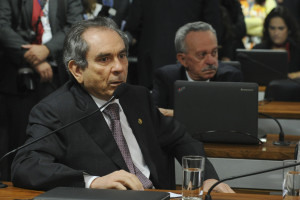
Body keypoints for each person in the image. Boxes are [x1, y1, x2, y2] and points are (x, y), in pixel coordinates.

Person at [11, 17, 234, 193]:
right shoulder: (56, 110)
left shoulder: (136, 97)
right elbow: (27, 165)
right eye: (104, 59)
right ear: (77, 70)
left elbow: (181, 138)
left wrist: (207, 179)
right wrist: (93, 182)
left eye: (122, 56)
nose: (119, 67)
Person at [0, 0, 83, 181]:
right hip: (16, 76)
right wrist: (34, 59)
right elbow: (3, 27)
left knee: (57, 136)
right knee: (17, 138)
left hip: (60, 74)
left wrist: (47, 49)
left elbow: (75, 25)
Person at [124, 0, 222, 89]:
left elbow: (133, 26)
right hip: (190, 63)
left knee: (153, 104)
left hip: (152, 62)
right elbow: (214, 24)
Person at [152, 21, 243, 114]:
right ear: (183, 59)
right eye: (202, 55)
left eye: (214, 52)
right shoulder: (166, 78)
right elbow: (154, 116)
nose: (211, 61)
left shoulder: (230, 78)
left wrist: (177, 114)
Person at [253, 6, 300, 78]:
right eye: (272, 28)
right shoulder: (258, 50)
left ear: (289, 29)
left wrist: (294, 75)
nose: (276, 33)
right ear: (267, 28)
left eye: (281, 28)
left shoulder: (297, 49)